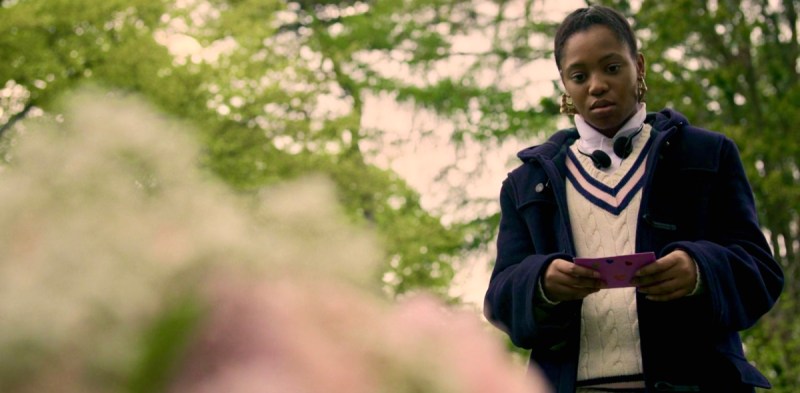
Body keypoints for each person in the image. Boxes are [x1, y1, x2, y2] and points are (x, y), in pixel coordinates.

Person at [483, 5, 784, 393]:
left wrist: (699, 270)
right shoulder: (526, 184)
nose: (596, 85)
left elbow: (761, 272)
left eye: (611, 68)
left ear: (638, 65)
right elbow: (499, 301)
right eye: (579, 75)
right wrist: (540, 283)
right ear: (564, 85)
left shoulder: (707, 156)